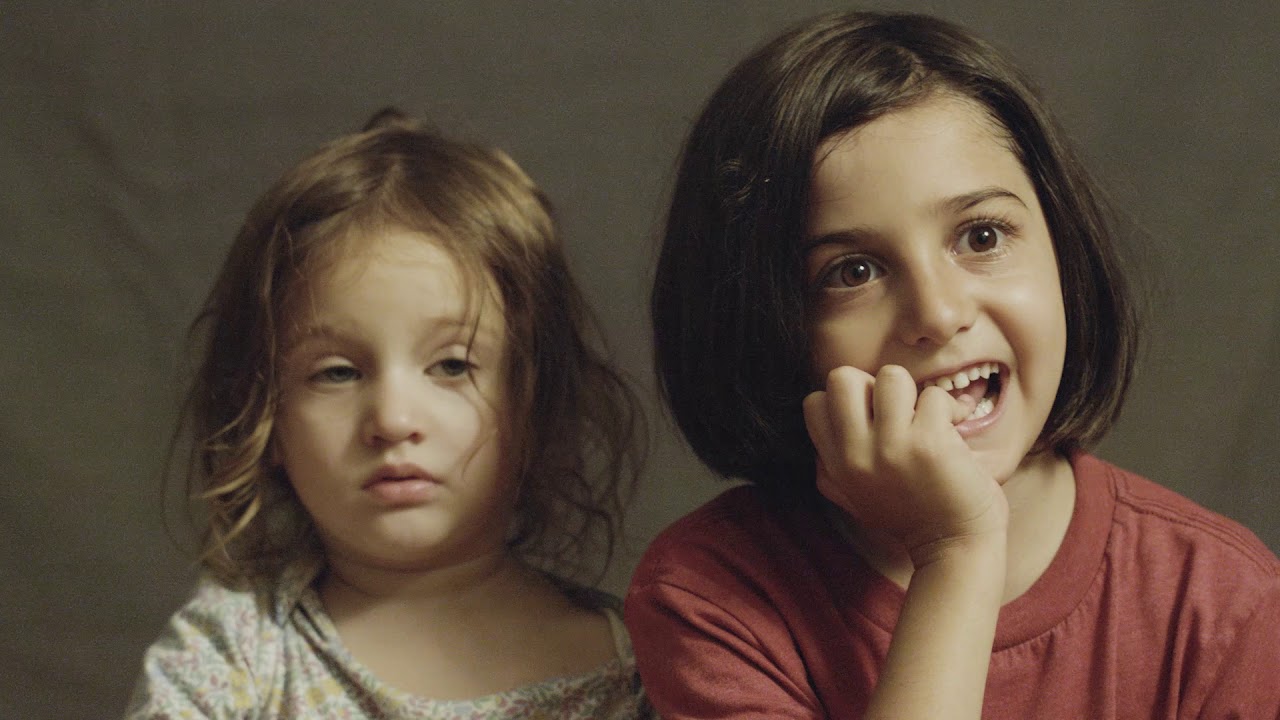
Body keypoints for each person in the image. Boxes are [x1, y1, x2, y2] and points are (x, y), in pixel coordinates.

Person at [625, 10, 1280, 719]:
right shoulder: (710, 598)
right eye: (853, 272)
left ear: (1063, 250)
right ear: (763, 324)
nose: (937, 314)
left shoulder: (1225, 606)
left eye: (982, 236)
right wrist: (956, 551)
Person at [125, 108, 654, 719]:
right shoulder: (235, 652)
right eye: (337, 373)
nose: (393, 421)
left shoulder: (642, 670)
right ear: (265, 418)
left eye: (451, 365)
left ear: (534, 402)